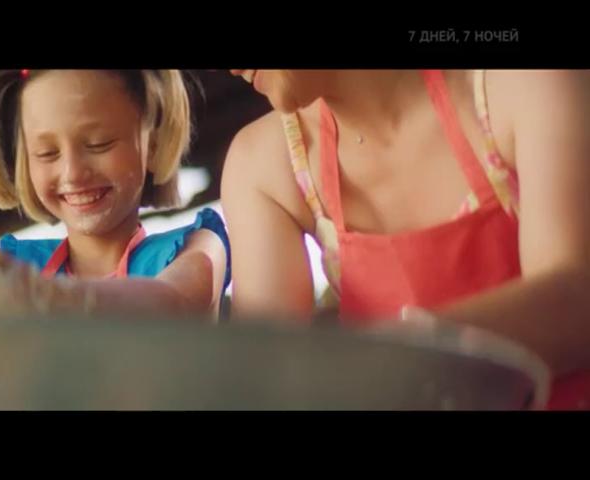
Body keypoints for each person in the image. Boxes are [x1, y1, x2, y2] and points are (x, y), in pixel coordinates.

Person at [221, 69, 590, 409]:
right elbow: (266, 385)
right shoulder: (262, 165)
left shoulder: (525, 84)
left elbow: (577, 302)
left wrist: (401, 358)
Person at [0, 69, 230, 318]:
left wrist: (38, 294)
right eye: (47, 153)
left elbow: (173, 302)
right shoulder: (10, 265)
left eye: (98, 144)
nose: (73, 173)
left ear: (153, 146)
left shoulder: (196, 250)